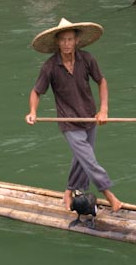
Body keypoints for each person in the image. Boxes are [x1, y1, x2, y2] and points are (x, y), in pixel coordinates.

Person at [25, 18, 123, 212]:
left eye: (70, 39)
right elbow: (36, 92)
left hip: (89, 118)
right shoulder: (50, 67)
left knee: (81, 159)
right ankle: (111, 197)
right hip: (68, 122)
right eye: (63, 40)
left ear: (76, 40)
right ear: (58, 42)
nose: (67, 44)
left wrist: (103, 109)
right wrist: (33, 112)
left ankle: (69, 191)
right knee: (89, 160)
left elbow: (101, 81)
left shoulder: (87, 59)